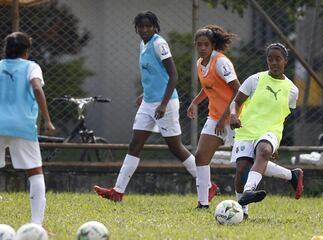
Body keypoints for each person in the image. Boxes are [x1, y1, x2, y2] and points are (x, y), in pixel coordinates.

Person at [94, 11, 218, 202]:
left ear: (155, 27)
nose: (144, 29)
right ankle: (117, 192)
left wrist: (162, 104)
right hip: (148, 102)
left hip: (165, 103)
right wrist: (145, 94)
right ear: (136, 29)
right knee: (135, 144)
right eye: (141, 26)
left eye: (148, 26)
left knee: (175, 147)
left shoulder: (159, 44)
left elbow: (173, 76)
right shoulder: (142, 45)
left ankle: (208, 186)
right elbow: (155, 75)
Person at [229, 43, 304, 208]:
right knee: (242, 171)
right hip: (246, 130)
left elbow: (282, 115)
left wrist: (273, 144)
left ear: (285, 61)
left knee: (263, 151)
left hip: (271, 131)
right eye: (270, 59)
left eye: (278, 59)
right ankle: (243, 211)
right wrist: (233, 115)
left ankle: (250, 190)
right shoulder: (255, 79)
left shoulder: (292, 90)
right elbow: (236, 102)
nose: (274, 63)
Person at [0, 32, 55, 225]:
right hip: (22, 126)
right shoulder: (31, 67)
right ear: (26, 51)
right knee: (35, 172)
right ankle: (36, 225)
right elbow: (37, 88)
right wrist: (47, 120)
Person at [186, 25, 240, 209]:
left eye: (206, 44)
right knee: (200, 157)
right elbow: (209, 88)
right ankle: (203, 204)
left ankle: (291, 176)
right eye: (199, 44)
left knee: (246, 161)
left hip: (235, 118)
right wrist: (195, 102)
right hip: (214, 117)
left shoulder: (221, 62)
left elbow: (238, 90)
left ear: (213, 45)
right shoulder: (200, 63)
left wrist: (226, 116)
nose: (202, 48)